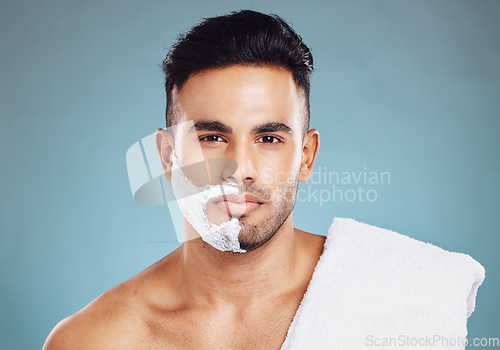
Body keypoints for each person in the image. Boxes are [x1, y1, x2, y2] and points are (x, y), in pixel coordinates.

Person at [44, 10, 484, 350]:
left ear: (306, 156)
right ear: (167, 156)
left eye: (269, 137)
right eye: (213, 137)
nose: (239, 168)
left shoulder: (407, 295)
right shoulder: (97, 340)